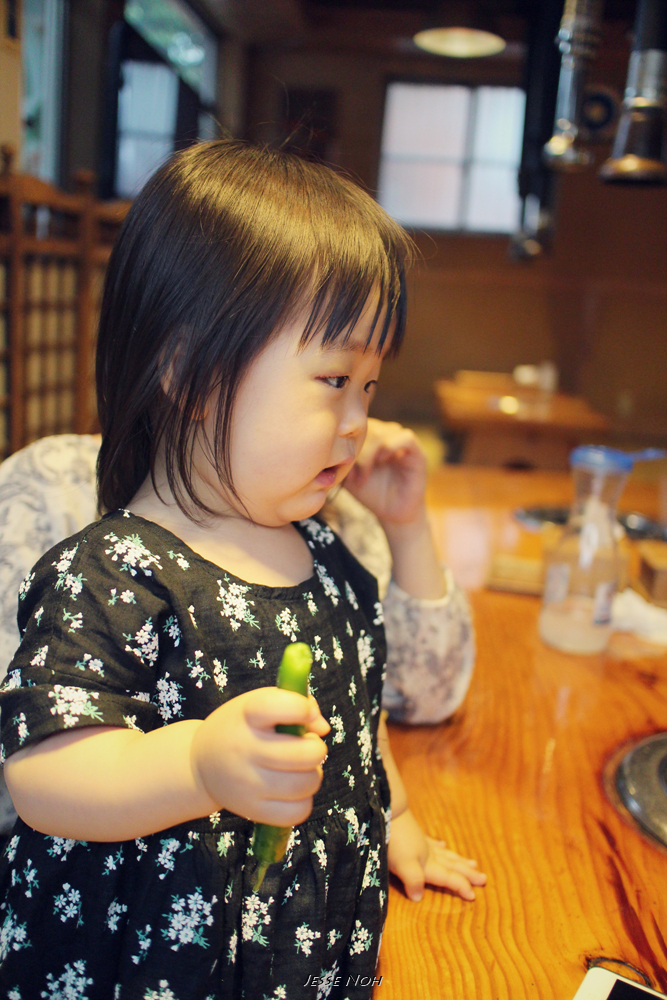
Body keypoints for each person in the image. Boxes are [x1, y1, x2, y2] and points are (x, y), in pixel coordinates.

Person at [0, 141, 485, 999]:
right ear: (189, 372)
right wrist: (196, 766)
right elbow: (43, 777)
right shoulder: (110, 572)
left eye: (369, 387)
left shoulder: (329, 558)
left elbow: (352, 717)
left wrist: (397, 817)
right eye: (332, 378)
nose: (355, 420)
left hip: (297, 951)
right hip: (145, 963)